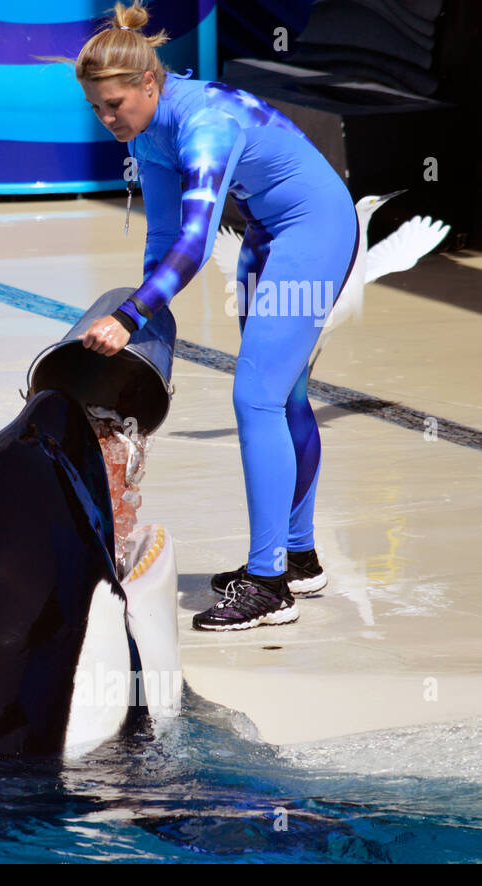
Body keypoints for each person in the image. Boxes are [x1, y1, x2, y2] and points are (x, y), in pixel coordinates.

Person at [69, 1, 359, 630]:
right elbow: (163, 238)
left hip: (314, 230)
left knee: (257, 398)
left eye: (114, 104)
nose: (107, 119)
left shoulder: (204, 124)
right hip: (266, 233)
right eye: (96, 108)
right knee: (284, 397)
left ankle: (269, 586)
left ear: (150, 82)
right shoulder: (147, 131)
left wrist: (129, 316)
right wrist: (146, 319)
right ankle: (297, 558)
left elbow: (196, 243)